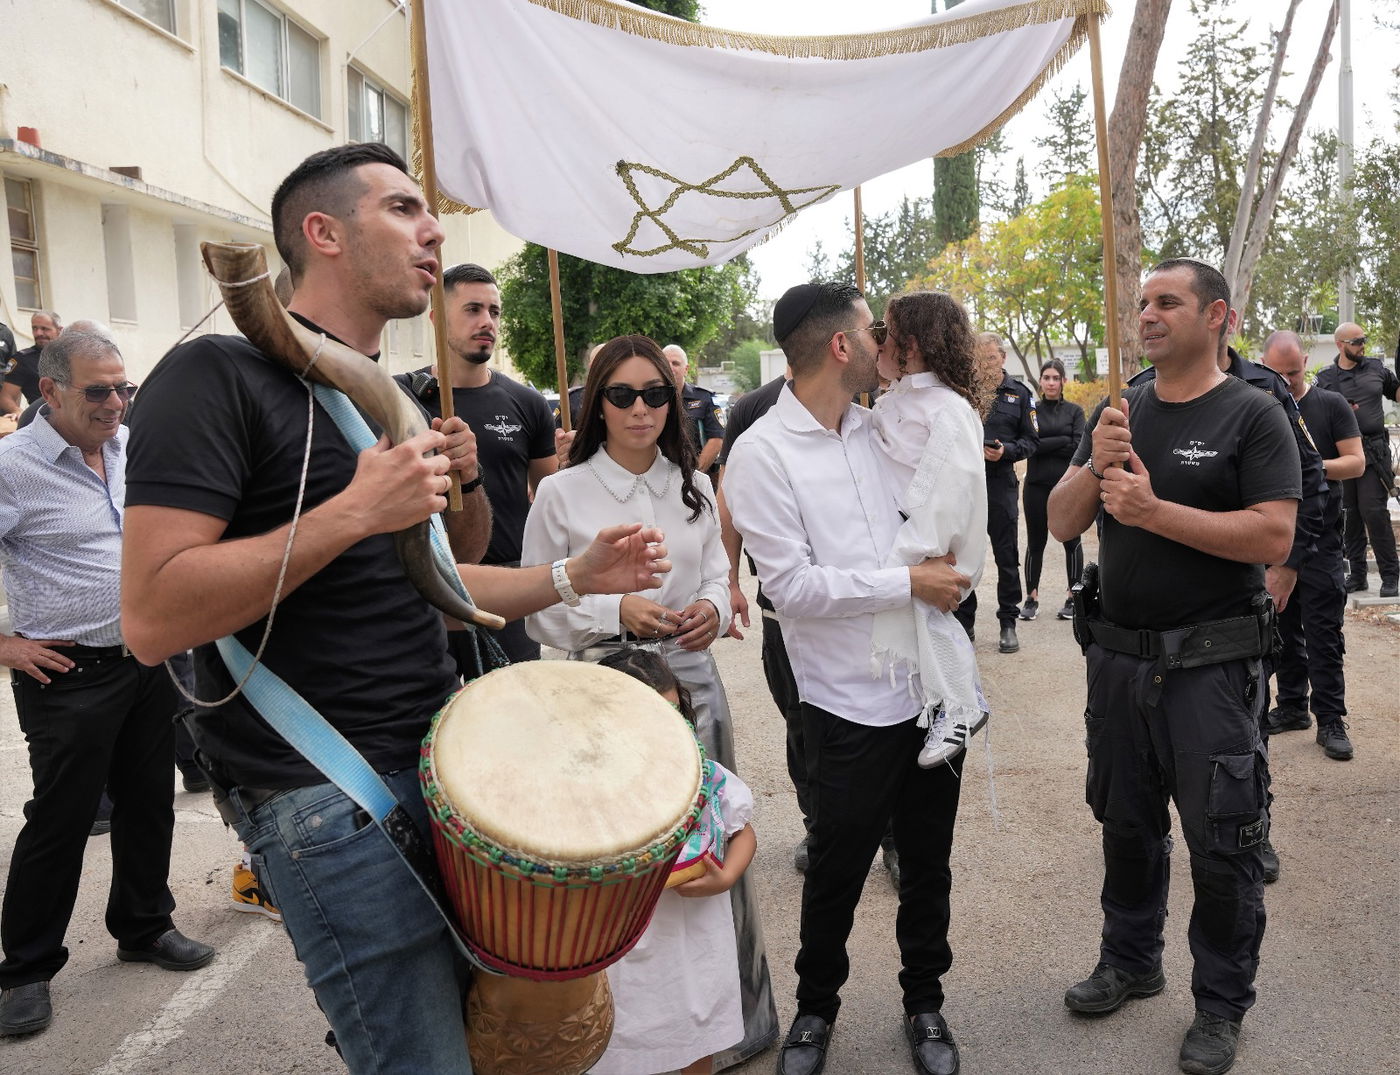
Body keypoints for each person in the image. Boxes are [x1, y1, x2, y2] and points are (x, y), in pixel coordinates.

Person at [118, 142, 672, 1075]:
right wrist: (352, 511)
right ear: (323, 233)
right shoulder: (211, 376)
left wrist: (577, 574)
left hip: (446, 765)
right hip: (323, 798)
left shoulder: (400, 402)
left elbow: (443, 588)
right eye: (404, 208)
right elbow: (152, 616)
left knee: (501, 1044)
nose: (434, 229)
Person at [1048, 259, 1300, 1075]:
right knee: (1125, 822)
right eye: (1144, 303)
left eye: (1168, 302)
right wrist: (1095, 459)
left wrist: (1157, 511)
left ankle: (1221, 1004)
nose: (1148, 314)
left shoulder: (1253, 415)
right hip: (1118, 662)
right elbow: (1059, 523)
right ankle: (1131, 959)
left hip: (1211, 673)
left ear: (1217, 314)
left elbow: (1271, 537)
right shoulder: (1120, 409)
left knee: (1221, 842)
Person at [726, 281, 971, 1075]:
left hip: (923, 692)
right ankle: (814, 1010)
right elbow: (791, 587)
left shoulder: (881, 429)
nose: (884, 345)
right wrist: (908, 585)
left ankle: (925, 1003)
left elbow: (944, 504)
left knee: (927, 864)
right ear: (840, 346)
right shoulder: (760, 455)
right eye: (874, 331)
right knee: (836, 868)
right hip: (844, 703)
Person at [522, 333, 778, 1070]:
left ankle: (724, 1023)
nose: (641, 408)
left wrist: (706, 606)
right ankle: (609, 1029)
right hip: (596, 694)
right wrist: (615, 612)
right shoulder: (562, 493)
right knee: (612, 863)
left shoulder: (691, 486)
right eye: (623, 395)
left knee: (707, 846)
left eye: (656, 394)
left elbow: (710, 573)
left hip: (689, 683)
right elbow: (537, 607)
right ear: (595, 404)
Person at [0, 331, 214, 1039]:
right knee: (61, 822)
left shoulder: (131, 449)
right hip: (67, 675)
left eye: (124, 388)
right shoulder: (11, 466)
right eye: (99, 390)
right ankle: (25, 969)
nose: (117, 403)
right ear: (50, 390)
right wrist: (4, 644)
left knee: (150, 802)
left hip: (145, 659)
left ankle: (144, 926)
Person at [717, 371, 902, 887]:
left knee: (889, 728)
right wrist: (728, 577)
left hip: (875, 606)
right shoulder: (754, 412)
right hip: (790, 612)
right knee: (804, 727)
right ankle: (818, 826)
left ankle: (891, 840)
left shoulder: (865, 406)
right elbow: (728, 498)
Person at [589, 647, 757, 1075]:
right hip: (618, 942)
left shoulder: (703, 775)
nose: (666, 730)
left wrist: (728, 876)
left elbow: (741, 831)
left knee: (693, 1032)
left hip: (691, 940)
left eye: (674, 713)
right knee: (613, 1037)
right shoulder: (582, 792)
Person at [395, 262, 558, 664]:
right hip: (424, 587)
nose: (487, 321)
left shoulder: (528, 403)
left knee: (512, 713)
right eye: (472, 309)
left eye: (494, 311)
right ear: (436, 319)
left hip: (507, 585)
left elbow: (551, 496)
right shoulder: (399, 396)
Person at [867, 291, 990, 766]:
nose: (876, 343)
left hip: (930, 542)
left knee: (929, 615)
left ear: (911, 345)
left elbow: (951, 487)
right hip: (903, 532)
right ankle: (945, 702)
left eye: (883, 334)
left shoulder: (946, 408)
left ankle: (962, 704)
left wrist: (920, 550)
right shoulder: (898, 398)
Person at [1260, 331, 1364, 761]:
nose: (1286, 381)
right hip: (1275, 535)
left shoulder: (1330, 404)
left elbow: (1356, 461)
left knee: (1323, 631)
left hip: (1321, 533)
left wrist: (1307, 465)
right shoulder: (1259, 406)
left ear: (1306, 361)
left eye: (1294, 372)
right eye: (1277, 374)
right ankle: (1290, 706)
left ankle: (1331, 719)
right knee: (1280, 626)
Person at [957, 332, 1037, 654]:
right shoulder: (962, 393)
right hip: (967, 486)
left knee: (1007, 558)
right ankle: (965, 621)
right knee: (966, 557)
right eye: (979, 359)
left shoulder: (1019, 394)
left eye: (990, 358)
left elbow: (1032, 440)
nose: (985, 365)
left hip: (1000, 482)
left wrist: (1006, 452)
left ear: (1002, 358)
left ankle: (1008, 622)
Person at [1315, 321, 1399, 597]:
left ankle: (1390, 576)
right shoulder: (1326, 378)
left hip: (1374, 452)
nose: (1362, 346)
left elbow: (1396, 392)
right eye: (1357, 342)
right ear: (1340, 345)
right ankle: (1358, 576)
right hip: (1341, 455)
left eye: (1364, 340)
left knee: (1374, 512)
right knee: (1349, 515)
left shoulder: (1376, 368)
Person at [1021, 359, 1084, 621]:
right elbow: (1030, 444)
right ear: (1040, 382)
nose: (1050, 382)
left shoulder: (1075, 412)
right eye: (1046, 377)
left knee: (1071, 541)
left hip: (1067, 486)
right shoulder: (1031, 410)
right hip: (1035, 485)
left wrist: (1046, 442)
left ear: (1063, 381)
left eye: (1055, 378)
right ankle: (1031, 597)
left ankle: (1073, 596)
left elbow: (1079, 446)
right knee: (1036, 542)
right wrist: (1062, 440)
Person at [664, 343, 725, 476]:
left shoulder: (705, 398)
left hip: (695, 473)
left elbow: (717, 439)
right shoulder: (650, 398)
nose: (670, 367)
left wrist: (694, 475)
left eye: (675, 363)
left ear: (686, 369)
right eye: (665, 362)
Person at [0, 310, 61, 415]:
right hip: (44, 418)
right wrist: (17, 411)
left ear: (59, 330)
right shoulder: (22, 359)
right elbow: (6, 397)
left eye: (44, 329)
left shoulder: (72, 355)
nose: (38, 333)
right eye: (34, 328)